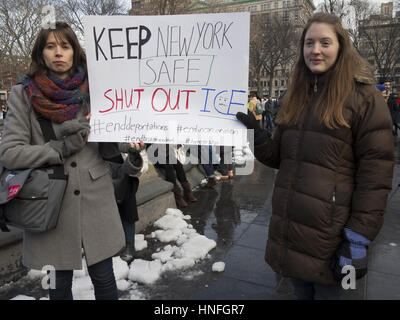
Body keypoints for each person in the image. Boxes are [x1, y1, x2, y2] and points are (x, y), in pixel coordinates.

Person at [237, 13, 394, 300]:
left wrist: (357, 240)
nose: (316, 50)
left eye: (325, 42)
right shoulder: (295, 95)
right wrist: (255, 134)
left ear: (341, 46)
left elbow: (376, 179)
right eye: (309, 43)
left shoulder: (365, 98)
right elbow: (278, 156)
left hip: (335, 240)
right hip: (292, 236)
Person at [0, 22, 126, 300]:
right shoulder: (24, 93)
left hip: (96, 198)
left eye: (65, 46)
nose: (58, 52)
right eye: (50, 46)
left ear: (74, 51)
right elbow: (10, 152)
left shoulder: (99, 88)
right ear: (41, 53)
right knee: (58, 287)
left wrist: (135, 141)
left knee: (105, 279)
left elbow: (114, 138)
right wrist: (58, 148)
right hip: (51, 202)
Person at [100, 142, 146, 264]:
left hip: (123, 163)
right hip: (98, 162)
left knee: (127, 206)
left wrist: (135, 150)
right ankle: (111, 244)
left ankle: (129, 244)